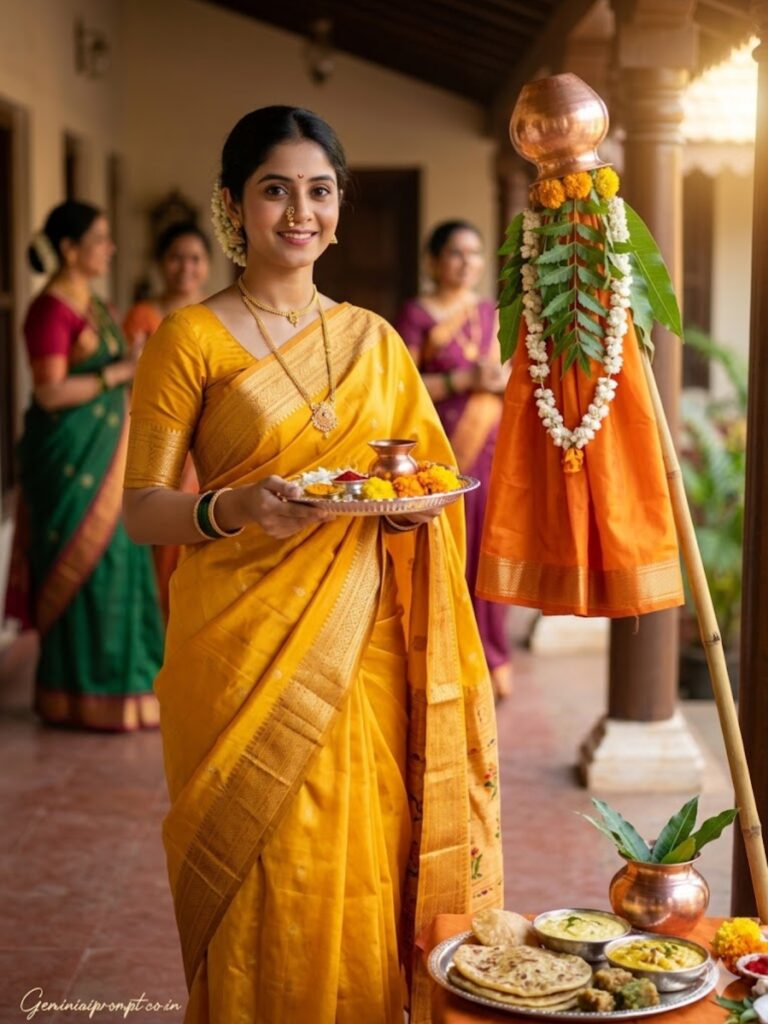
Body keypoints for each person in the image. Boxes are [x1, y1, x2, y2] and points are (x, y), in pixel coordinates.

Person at [122, 106, 502, 1024]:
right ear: (232, 205)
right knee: (262, 857)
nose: (301, 212)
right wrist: (235, 506)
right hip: (237, 643)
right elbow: (142, 510)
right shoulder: (189, 339)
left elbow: (425, 477)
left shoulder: (376, 341)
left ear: (339, 206)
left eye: (320, 191)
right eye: (275, 190)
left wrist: (407, 513)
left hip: (362, 637)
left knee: (363, 844)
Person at [6, 200, 164, 729]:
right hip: (69, 459)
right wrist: (119, 373)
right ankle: (74, 695)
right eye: (99, 239)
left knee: (120, 564)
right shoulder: (49, 311)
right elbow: (50, 392)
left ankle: (127, 689)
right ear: (70, 249)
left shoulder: (94, 304)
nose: (109, 248)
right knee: (85, 569)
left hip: (108, 454)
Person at [396, 222, 513, 699]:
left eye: (475, 253)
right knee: (449, 553)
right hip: (443, 454)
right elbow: (404, 386)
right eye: (456, 253)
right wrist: (464, 381)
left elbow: (512, 373)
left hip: (493, 450)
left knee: (491, 551)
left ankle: (492, 657)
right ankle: (450, 660)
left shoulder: (491, 313)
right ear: (433, 261)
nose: (467, 263)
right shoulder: (417, 314)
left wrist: (500, 381)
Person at [124, 222, 211, 618]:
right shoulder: (143, 316)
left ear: (207, 265)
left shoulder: (218, 314)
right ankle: (160, 630)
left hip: (211, 438)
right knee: (161, 532)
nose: (185, 268)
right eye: (176, 257)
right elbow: (132, 385)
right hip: (157, 438)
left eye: (195, 258)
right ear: (160, 263)